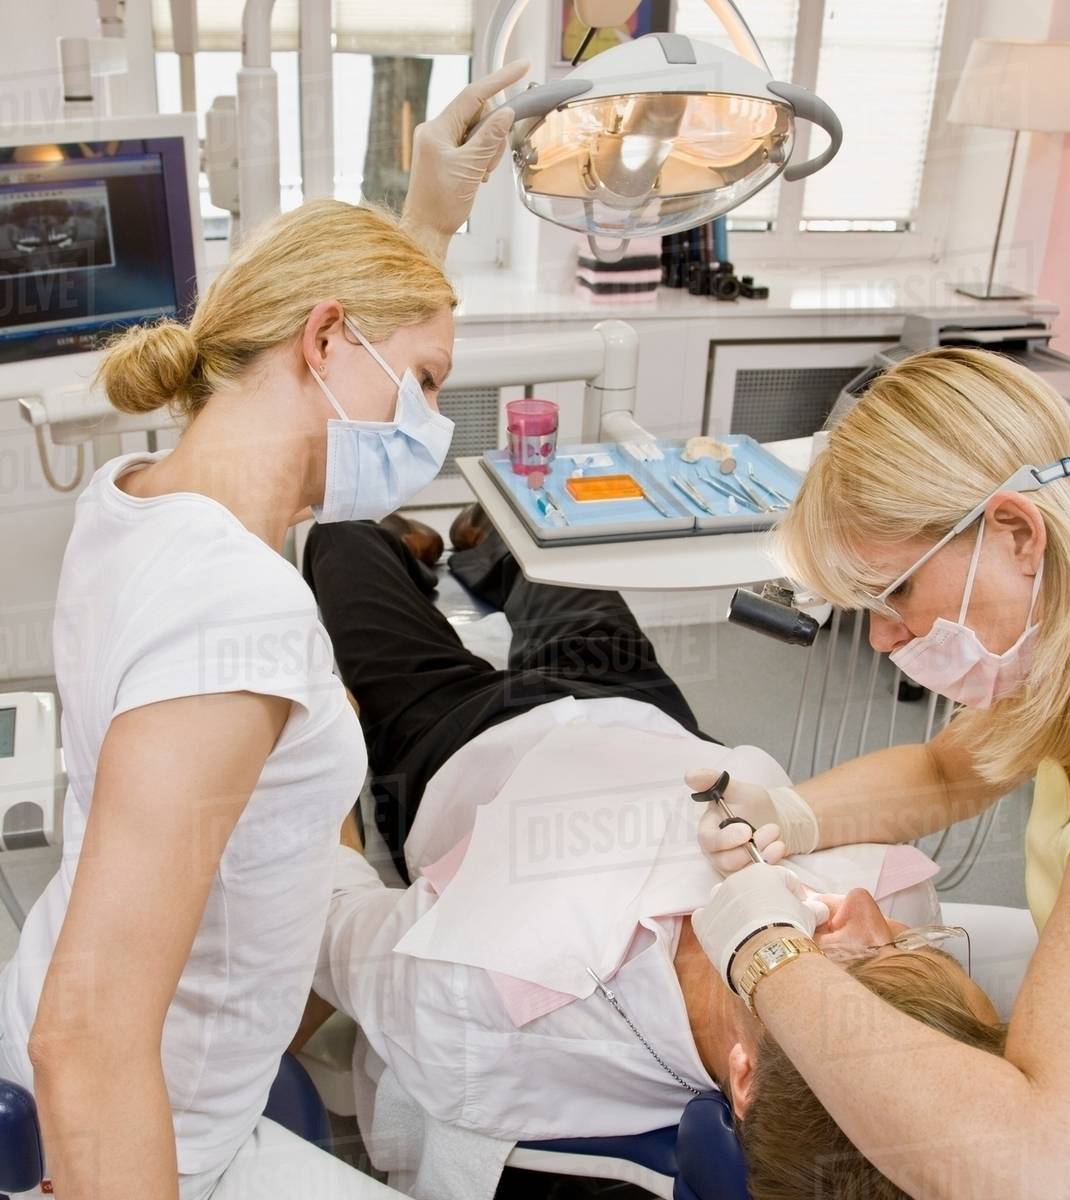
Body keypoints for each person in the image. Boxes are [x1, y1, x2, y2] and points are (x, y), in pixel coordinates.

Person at [0, 64, 525, 1200]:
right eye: (425, 385)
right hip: (153, 1143)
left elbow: (337, 332)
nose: (427, 426)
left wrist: (425, 218)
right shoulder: (234, 602)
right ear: (326, 340)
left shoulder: (149, 491)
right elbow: (86, 1041)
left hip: (176, 1086)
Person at [293, 513, 1004, 1197]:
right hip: (646, 715)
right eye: (914, 944)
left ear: (746, 1078)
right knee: (558, 564)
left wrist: (330, 759)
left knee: (342, 544)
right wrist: (788, 815)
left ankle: (406, 544)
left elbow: (333, 910)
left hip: (460, 734)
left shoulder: (484, 993)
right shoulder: (898, 906)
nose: (863, 909)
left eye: (858, 962)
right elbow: (947, 775)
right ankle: (485, 545)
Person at [687, 347, 1070, 1200]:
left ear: (1018, 535)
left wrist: (767, 955)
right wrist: (784, 813)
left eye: (896, 595)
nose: (882, 639)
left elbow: (1054, 1172)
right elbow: (948, 771)